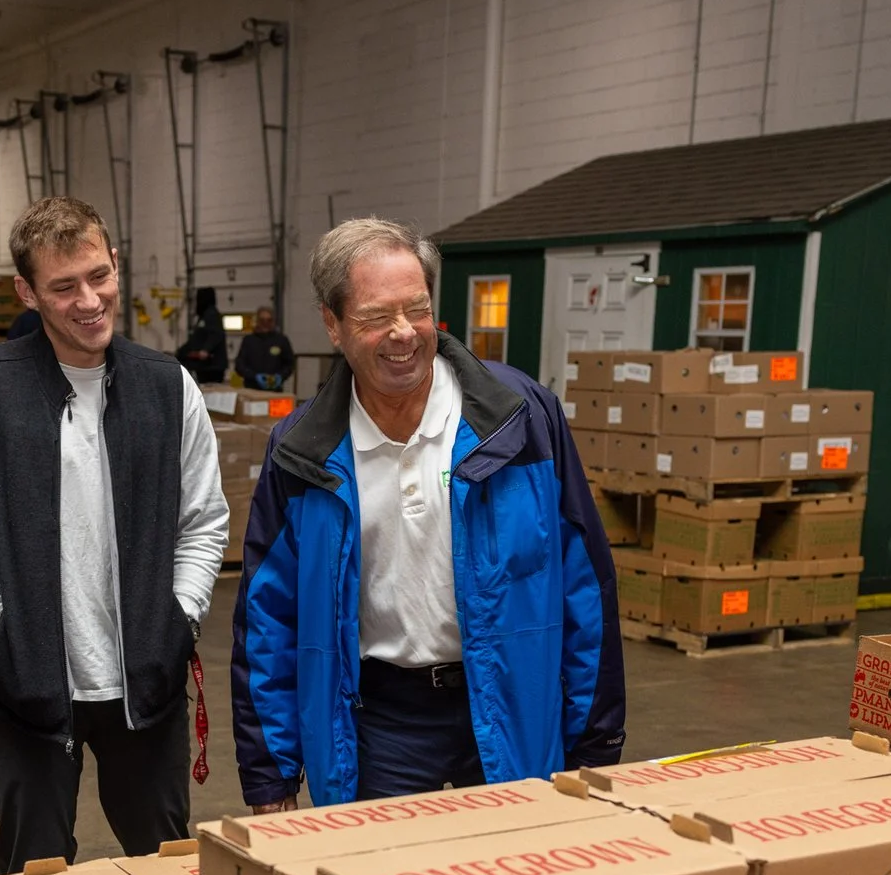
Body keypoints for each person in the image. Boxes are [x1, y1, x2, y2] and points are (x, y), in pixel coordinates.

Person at [232, 217, 624, 808]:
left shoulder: (519, 419)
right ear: (333, 325)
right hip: (378, 726)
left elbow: (585, 585)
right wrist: (270, 772)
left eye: (417, 309)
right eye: (373, 317)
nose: (403, 334)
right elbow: (269, 619)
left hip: (510, 704)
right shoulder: (303, 450)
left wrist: (594, 744)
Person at [0, 196, 229, 874]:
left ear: (116, 264)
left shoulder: (168, 389)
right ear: (27, 292)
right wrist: (3, 635)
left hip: (146, 686)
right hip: (25, 691)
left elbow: (204, 521)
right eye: (64, 286)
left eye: (99, 276)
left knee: (166, 865)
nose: (89, 300)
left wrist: (179, 619)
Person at [174, 282, 230, 385]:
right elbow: (196, 339)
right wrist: (181, 352)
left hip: (212, 366)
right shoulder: (203, 317)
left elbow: (216, 334)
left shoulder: (212, 315)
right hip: (204, 366)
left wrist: (205, 350)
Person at [234, 305, 296, 389]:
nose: (265, 324)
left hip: (275, 390)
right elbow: (239, 365)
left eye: (269, 320)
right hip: (251, 389)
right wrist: (254, 376)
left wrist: (280, 376)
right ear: (257, 321)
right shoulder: (248, 340)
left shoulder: (281, 340)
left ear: (273, 322)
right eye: (262, 320)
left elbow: (289, 364)